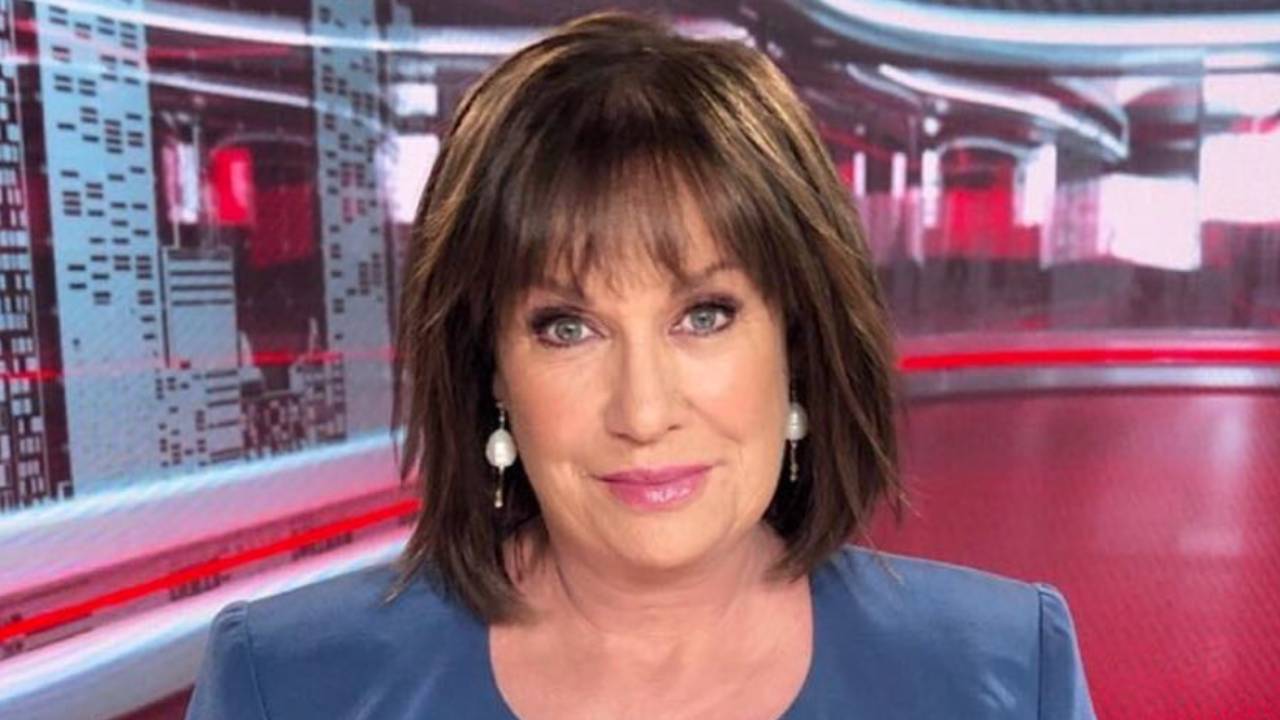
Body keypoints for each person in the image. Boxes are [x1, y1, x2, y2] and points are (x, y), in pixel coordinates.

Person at [186, 11, 1094, 719]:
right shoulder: (287, 687)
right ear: (490, 367)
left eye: (704, 316)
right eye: (567, 328)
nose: (644, 410)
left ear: (798, 341)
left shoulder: (1007, 675)